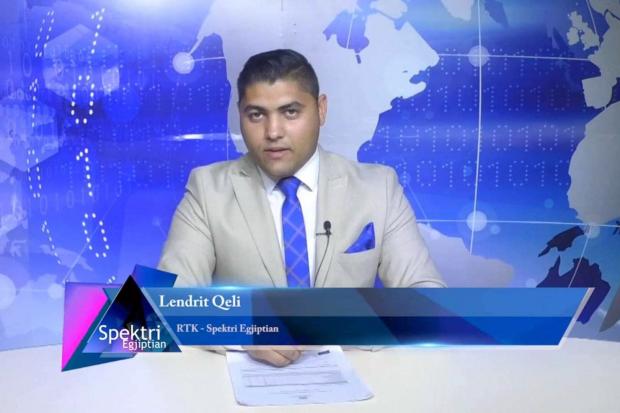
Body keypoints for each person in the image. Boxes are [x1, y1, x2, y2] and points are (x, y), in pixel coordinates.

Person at [158, 49, 445, 367]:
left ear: (321, 110)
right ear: (239, 115)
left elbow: (429, 300)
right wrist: (245, 329)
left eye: (290, 112)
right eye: (256, 115)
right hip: (247, 382)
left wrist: (332, 324)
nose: (273, 132)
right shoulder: (207, 188)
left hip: (360, 376)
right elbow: (164, 304)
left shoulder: (379, 188)